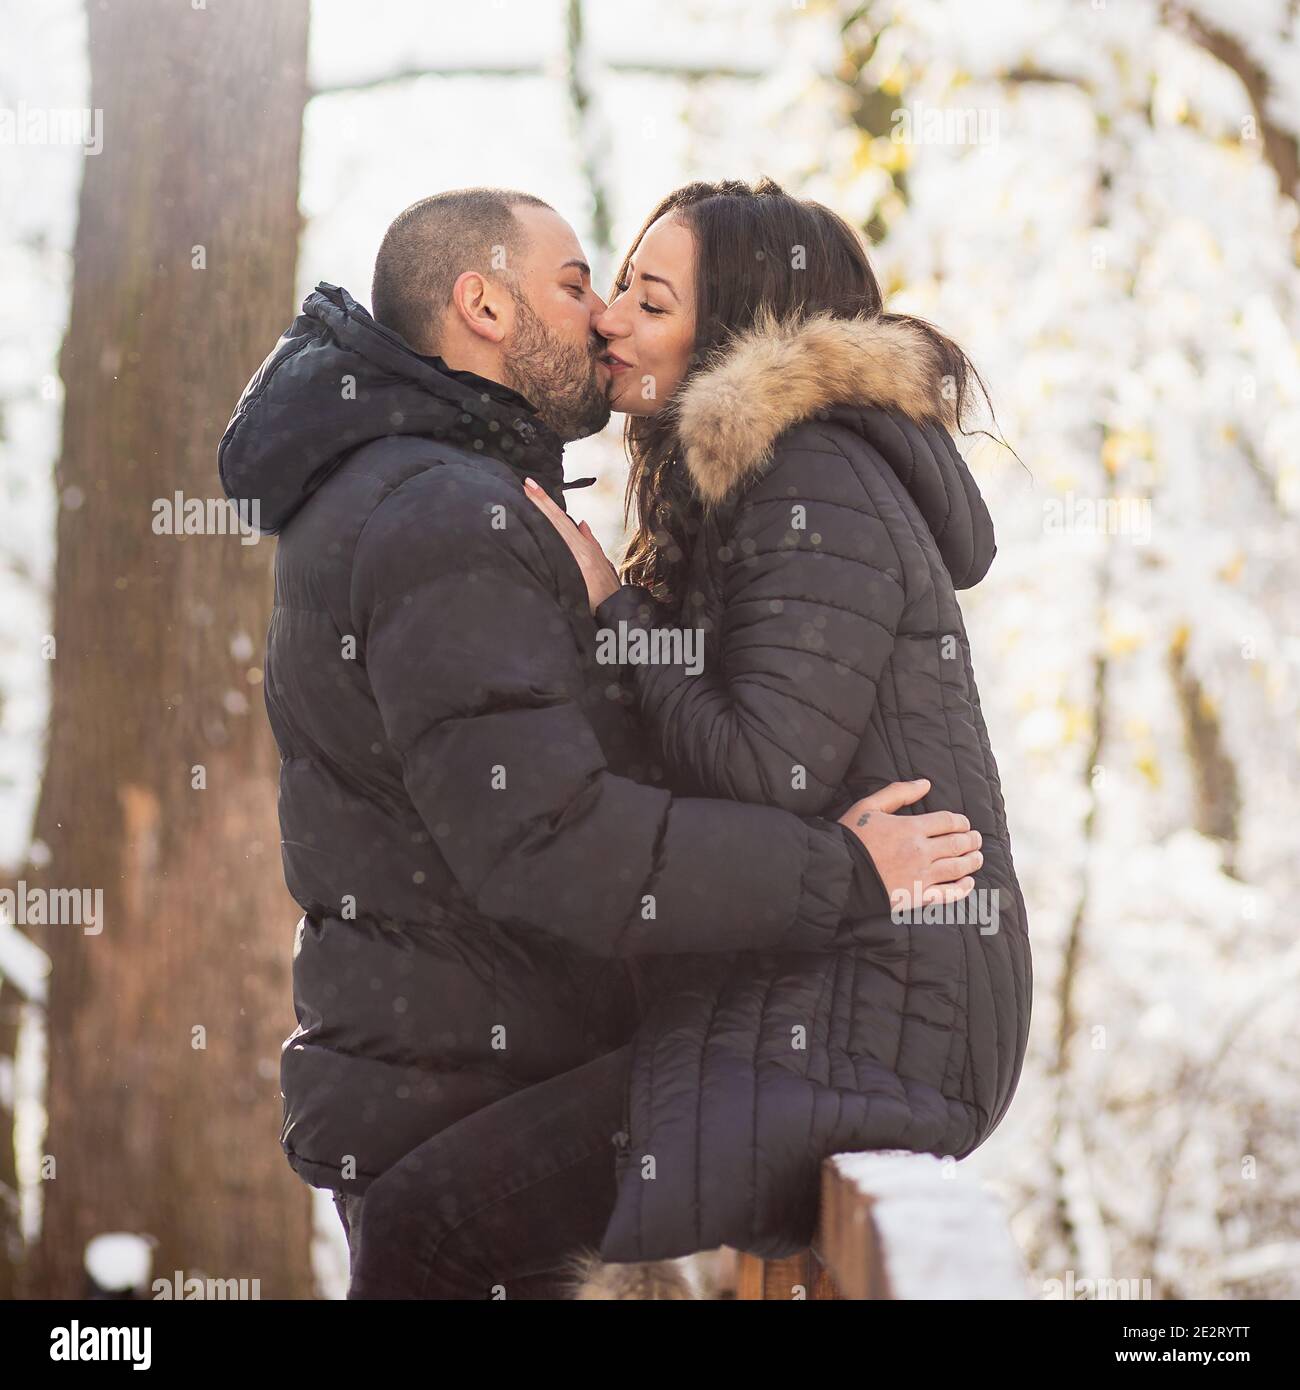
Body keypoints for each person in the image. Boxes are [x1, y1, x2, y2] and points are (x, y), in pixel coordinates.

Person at [216, 188, 981, 1299]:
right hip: (464, 1088)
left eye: (629, 292)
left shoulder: (424, 488)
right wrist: (843, 874)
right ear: (482, 304)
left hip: (460, 1071)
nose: (602, 317)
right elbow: (550, 836)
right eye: (578, 284)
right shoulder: (443, 514)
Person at [527, 177, 1033, 1286]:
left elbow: (771, 764)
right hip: (842, 979)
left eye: (649, 302)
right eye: (617, 285)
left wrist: (612, 610)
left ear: (737, 334)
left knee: (464, 1199)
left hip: (884, 1014)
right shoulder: (752, 476)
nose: (609, 317)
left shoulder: (811, 470)